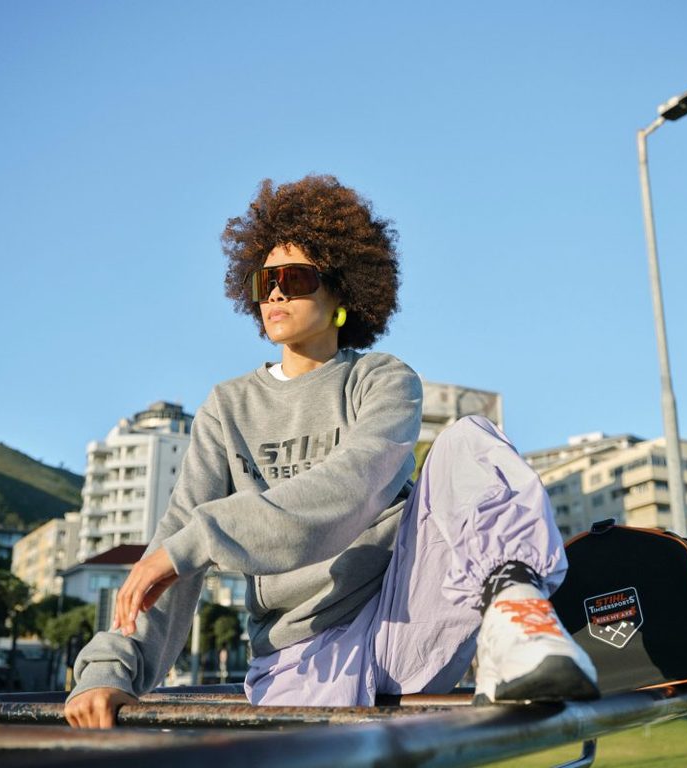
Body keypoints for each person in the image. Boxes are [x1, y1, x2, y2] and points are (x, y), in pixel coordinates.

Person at [64, 175, 598, 729]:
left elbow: (355, 484)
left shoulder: (382, 379)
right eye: (264, 281)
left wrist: (201, 538)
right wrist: (109, 671)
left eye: (294, 278)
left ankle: (520, 624)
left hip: (404, 619)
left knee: (470, 440)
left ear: (341, 291)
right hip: (299, 654)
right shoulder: (227, 407)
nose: (275, 294)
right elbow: (173, 544)